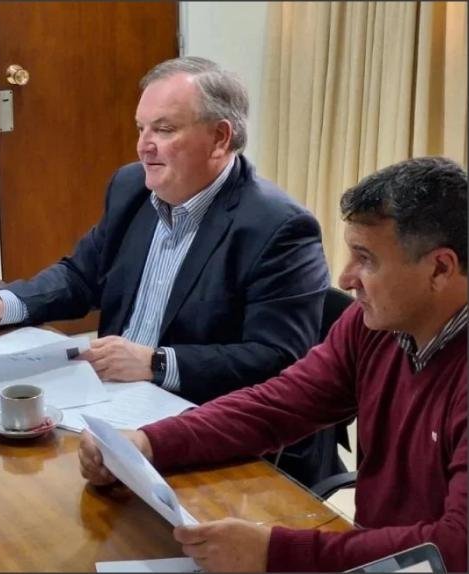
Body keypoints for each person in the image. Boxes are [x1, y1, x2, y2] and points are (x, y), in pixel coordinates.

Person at [0, 56, 338, 486]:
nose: (144, 145)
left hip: (214, 434)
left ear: (220, 137)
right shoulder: (132, 187)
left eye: (164, 130)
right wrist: (4, 304)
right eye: (141, 128)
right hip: (116, 409)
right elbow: (82, 275)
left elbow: (278, 360)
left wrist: (156, 363)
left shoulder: (278, 228)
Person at [78, 156, 467, 572]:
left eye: (366, 259)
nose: (346, 277)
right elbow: (280, 404)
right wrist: (148, 443)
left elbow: (455, 548)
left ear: (440, 268)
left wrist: (274, 553)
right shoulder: (373, 325)